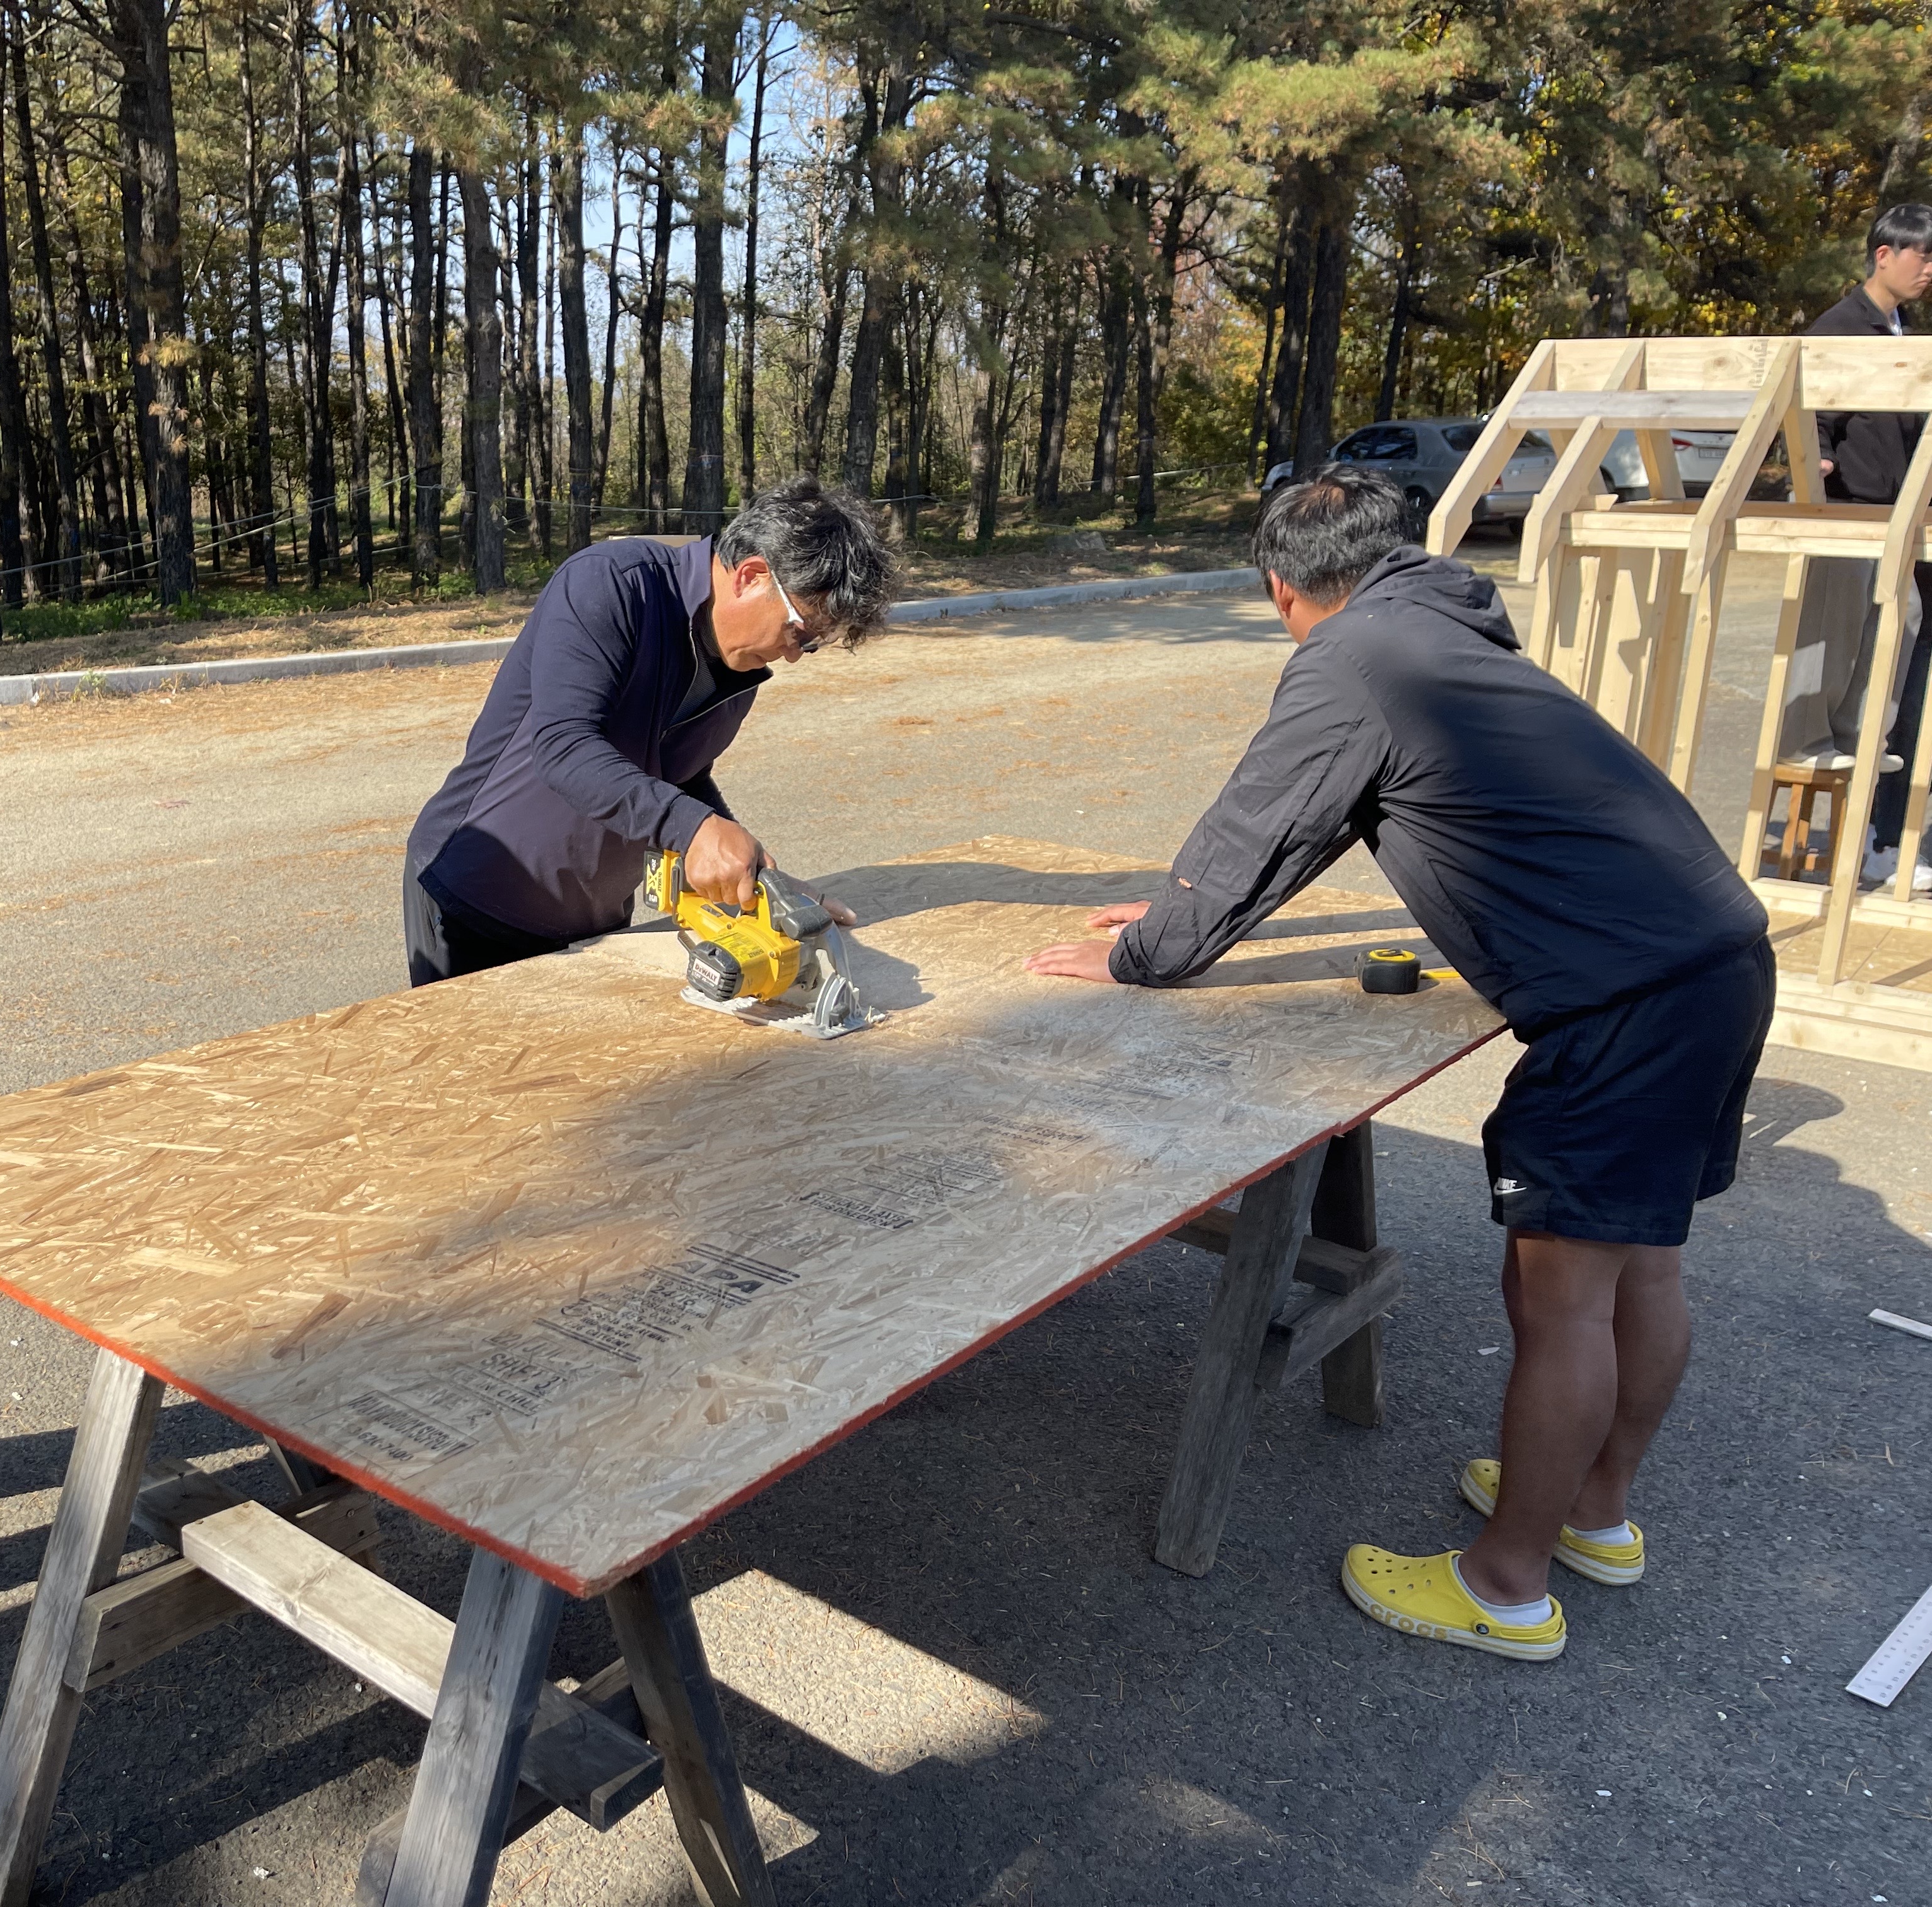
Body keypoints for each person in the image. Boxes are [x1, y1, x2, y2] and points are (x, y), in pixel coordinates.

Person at [1026, 466, 1773, 1663]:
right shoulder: (1446, 629)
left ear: (1283, 588)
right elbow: (1319, 823)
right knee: (1640, 1267)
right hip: (1716, 963)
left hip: (1621, 1011)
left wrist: (1147, 953)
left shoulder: (1351, 655)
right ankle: (1592, 1512)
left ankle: (1505, 1584)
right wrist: (1178, 915)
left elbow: (1264, 818)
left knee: (1562, 1300)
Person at [402, 478, 898, 986]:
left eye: (811, 645)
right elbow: (564, 746)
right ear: (751, 577)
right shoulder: (611, 583)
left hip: (595, 922)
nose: (794, 655)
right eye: (799, 631)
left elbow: (677, 777)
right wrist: (696, 829)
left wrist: (760, 878)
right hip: (474, 904)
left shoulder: (740, 666)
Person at [1790, 202, 1932, 892]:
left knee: (1899, 626)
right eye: (1923, 257)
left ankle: (1863, 748)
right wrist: (1815, 458)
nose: (1930, 271)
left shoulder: (1904, 331)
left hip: (1895, 518)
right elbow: (1809, 407)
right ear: (1884, 255)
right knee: (1833, 635)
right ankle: (1811, 742)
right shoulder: (1841, 327)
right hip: (1846, 512)